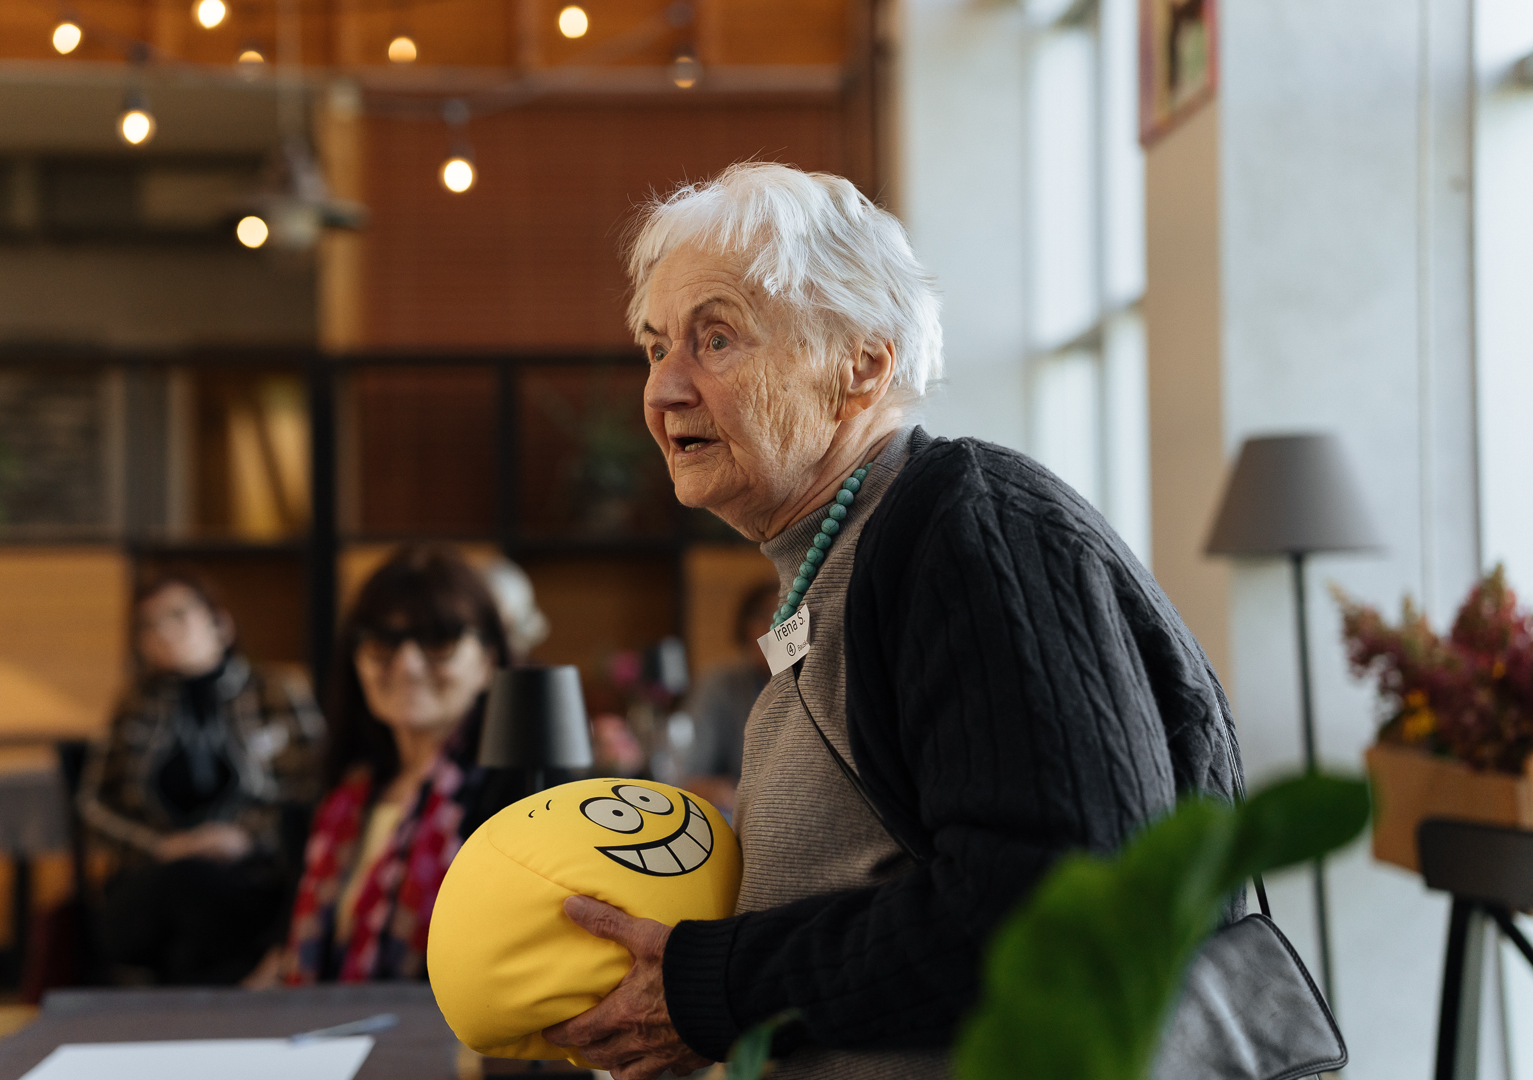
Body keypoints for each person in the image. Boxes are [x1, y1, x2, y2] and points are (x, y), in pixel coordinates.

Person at [539, 163, 1244, 1079]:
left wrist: (715, 988)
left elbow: (1056, 897)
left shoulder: (972, 529)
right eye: (653, 347)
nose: (664, 388)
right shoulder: (840, 558)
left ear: (862, 365)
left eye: (715, 339)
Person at [276, 544, 526, 983]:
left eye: (439, 641)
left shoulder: (519, 799)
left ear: (488, 661)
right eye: (382, 643)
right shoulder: (338, 795)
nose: (407, 666)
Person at [80, 573, 324, 985]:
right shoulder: (134, 705)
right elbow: (93, 804)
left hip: (252, 876)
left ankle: (186, 1001)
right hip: (152, 878)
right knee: (183, 885)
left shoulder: (276, 691)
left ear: (220, 624)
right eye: (149, 624)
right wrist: (161, 847)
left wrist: (245, 838)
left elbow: (313, 788)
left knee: (194, 928)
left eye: (177, 616)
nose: (164, 632)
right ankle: (232, 998)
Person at [675, 581, 777, 813]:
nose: (777, 631)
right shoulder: (720, 685)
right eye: (770, 620)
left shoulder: (809, 685)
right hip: (736, 810)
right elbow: (691, 774)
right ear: (748, 628)